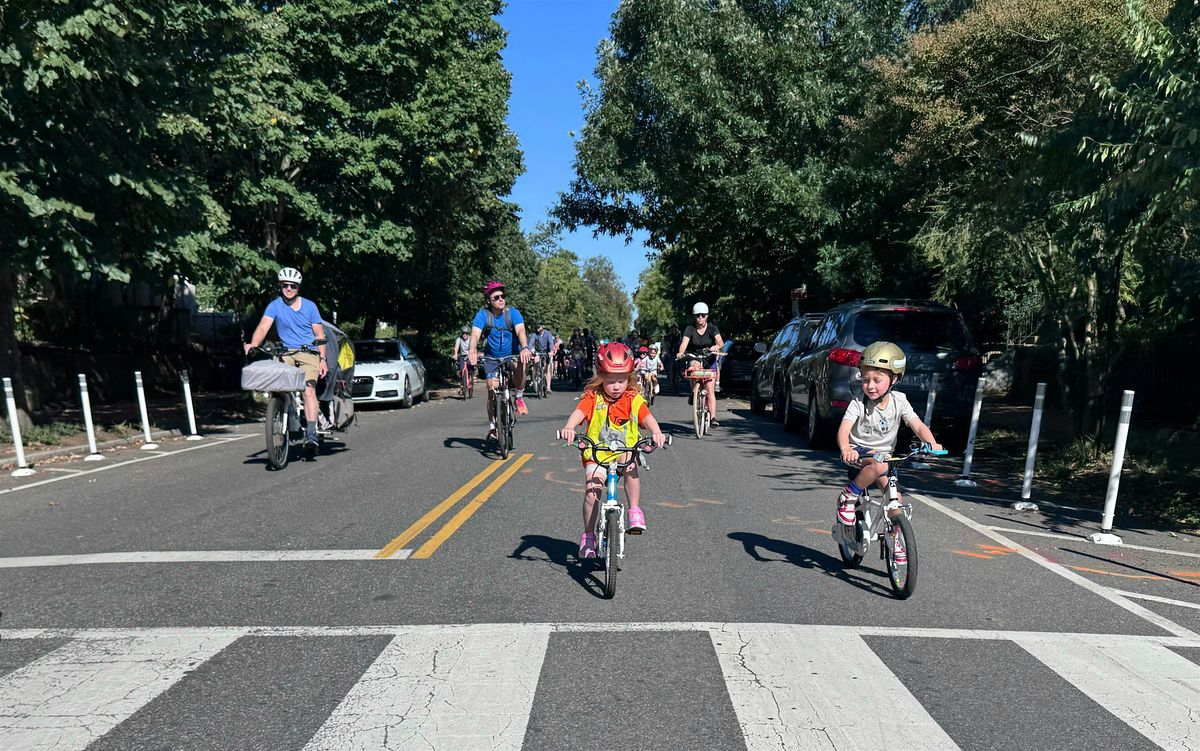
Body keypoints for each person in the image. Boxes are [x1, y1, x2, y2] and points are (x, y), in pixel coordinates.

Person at [836, 341, 943, 560]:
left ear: (894, 379)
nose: (870, 386)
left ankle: (895, 539)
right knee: (879, 465)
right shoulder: (858, 403)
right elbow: (844, 429)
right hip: (860, 453)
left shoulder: (900, 400)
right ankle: (848, 496)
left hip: (885, 457)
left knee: (896, 500)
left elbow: (918, 425)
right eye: (865, 380)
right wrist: (846, 447)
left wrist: (932, 443)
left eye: (877, 380)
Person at [559, 342, 667, 558]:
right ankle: (588, 536)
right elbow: (578, 414)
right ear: (600, 377)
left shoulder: (632, 397)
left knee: (631, 467)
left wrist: (656, 431)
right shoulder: (592, 397)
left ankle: (634, 509)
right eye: (610, 381)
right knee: (592, 492)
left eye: (622, 380)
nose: (617, 386)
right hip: (597, 454)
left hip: (624, 452)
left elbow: (647, 417)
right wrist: (570, 427)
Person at [244, 267, 328, 451]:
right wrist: (253, 344)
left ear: (298, 288)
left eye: (293, 286)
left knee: (308, 389)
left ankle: (312, 433)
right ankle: (285, 412)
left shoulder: (310, 306)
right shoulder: (275, 306)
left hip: (309, 352)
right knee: (278, 384)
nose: (289, 289)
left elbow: (320, 335)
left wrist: (323, 360)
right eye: (285, 285)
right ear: (280, 286)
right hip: (286, 352)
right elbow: (263, 327)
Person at [467, 280, 532, 442]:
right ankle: (493, 427)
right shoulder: (483, 315)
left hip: (511, 354)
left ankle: (518, 396)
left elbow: (521, 330)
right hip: (492, 357)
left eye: (503, 296)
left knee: (521, 363)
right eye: (496, 297)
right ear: (489, 300)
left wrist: (524, 347)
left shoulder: (512, 313)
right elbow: (475, 334)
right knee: (491, 388)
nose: (501, 299)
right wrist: (472, 351)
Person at [675, 302, 724, 427]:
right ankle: (694, 392)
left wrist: (716, 346)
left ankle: (713, 417)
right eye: (697, 315)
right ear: (694, 316)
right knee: (693, 367)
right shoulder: (690, 329)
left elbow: (720, 342)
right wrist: (681, 353)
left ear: (707, 316)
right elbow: (684, 343)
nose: (700, 318)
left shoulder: (713, 328)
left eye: (703, 315)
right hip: (695, 357)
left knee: (709, 389)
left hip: (710, 359)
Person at [530, 323, 557, 394]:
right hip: (538, 352)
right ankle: (535, 378)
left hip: (546, 352)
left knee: (547, 368)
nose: (538, 328)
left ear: (543, 327)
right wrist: (530, 351)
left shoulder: (548, 334)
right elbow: (531, 343)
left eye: (539, 327)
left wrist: (551, 351)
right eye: (537, 327)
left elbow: (551, 343)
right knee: (536, 363)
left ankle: (548, 387)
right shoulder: (534, 334)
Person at [452, 324, 472, 393]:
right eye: (463, 333)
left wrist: (471, 354)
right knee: (461, 370)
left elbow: (472, 347)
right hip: (462, 356)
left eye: (466, 333)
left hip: (469, 355)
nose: (464, 334)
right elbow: (456, 347)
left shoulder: (471, 339)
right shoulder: (459, 339)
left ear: (468, 334)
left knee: (470, 367)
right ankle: (462, 384)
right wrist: (455, 354)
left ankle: (470, 378)